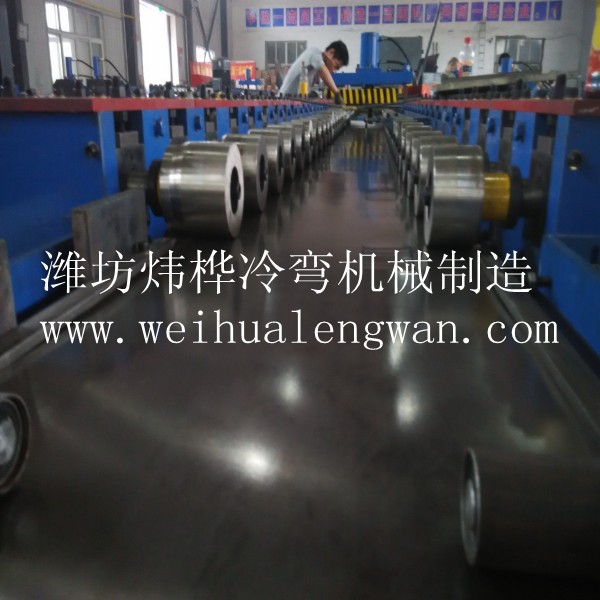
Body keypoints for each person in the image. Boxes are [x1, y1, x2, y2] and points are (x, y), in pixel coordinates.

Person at [278, 40, 349, 104]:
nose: (334, 70)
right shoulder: (314, 52)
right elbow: (323, 70)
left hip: (294, 102)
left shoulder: (314, 69)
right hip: (283, 103)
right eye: (336, 66)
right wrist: (336, 93)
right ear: (331, 52)